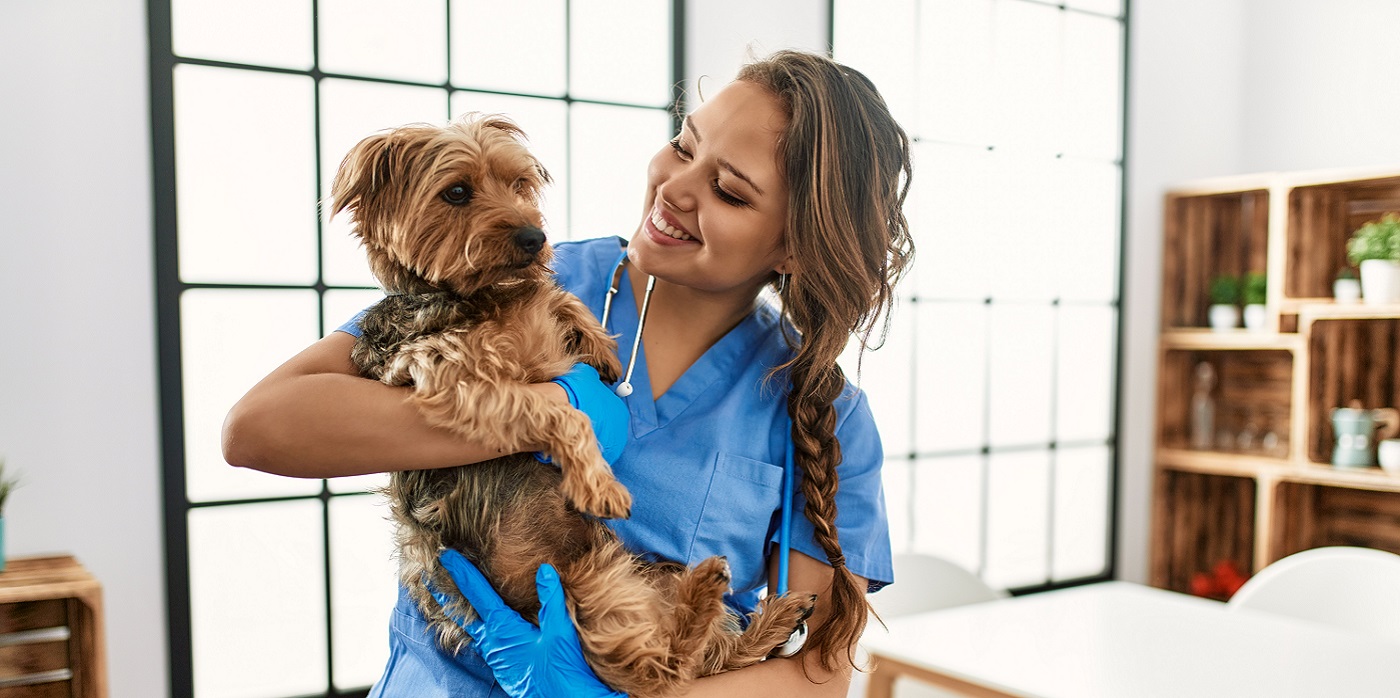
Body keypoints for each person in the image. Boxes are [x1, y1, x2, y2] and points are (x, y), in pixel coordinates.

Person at [223, 49, 914, 697]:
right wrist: (545, 409)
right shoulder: (517, 277)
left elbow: (820, 670)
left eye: (729, 191)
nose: (674, 187)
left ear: (793, 246)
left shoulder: (821, 412)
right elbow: (258, 430)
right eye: (683, 144)